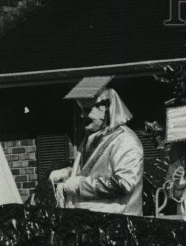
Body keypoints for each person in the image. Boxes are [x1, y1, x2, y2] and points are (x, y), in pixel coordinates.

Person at [49, 86, 144, 215]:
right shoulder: (93, 137)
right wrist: (68, 173)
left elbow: (123, 184)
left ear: (105, 109)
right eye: (81, 110)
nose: (82, 115)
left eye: (87, 110)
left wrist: (80, 185)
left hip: (119, 223)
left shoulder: (125, 140)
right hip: (93, 220)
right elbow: (91, 171)